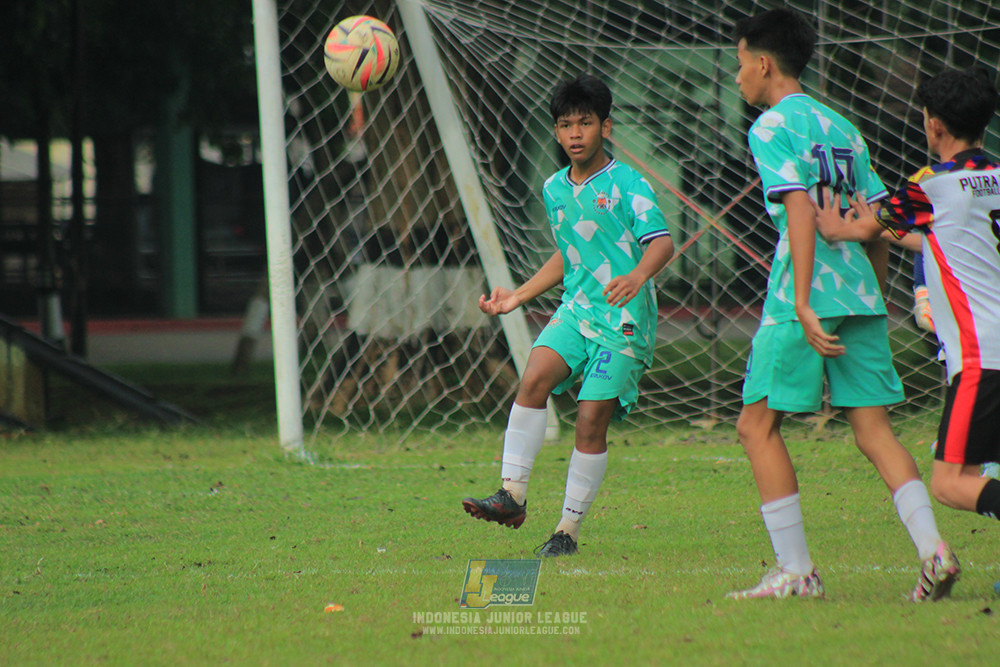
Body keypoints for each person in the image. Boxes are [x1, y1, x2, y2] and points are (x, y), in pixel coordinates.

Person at [727, 8, 958, 601]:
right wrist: (876, 295)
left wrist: (803, 301)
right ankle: (935, 552)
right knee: (875, 431)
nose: (736, 79)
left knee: (756, 426)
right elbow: (875, 221)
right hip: (860, 292)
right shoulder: (842, 126)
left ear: (762, 63)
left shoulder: (771, 127)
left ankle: (797, 573)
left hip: (800, 295)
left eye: (738, 65)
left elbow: (801, 211)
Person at [461, 74, 674, 557]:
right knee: (533, 377)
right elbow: (569, 253)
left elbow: (662, 241)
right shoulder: (554, 187)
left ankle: (567, 532)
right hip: (577, 311)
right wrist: (518, 295)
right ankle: (511, 496)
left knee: (589, 421)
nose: (575, 133)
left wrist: (638, 275)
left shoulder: (629, 184)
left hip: (623, 320)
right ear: (555, 133)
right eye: (565, 124)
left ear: (606, 126)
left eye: (585, 122)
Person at [814, 68, 1000, 562]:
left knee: (949, 483)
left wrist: (837, 223)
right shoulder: (995, 180)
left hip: (982, 357)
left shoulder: (931, 186)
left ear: (934, 125)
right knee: (984, 470)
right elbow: (942, 238)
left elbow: (868, 226)